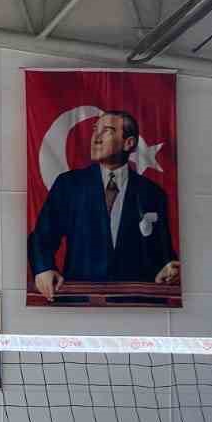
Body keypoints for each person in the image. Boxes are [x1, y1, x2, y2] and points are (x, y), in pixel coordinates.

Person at [28, 110, 179, 300]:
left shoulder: (153, 193)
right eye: (94, 129)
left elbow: (163, 254)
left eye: (106, 130)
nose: (96, 138)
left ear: (129, 143)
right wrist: (44, 268)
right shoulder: (69, 185)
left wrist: (168, 268)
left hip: (136, 304)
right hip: (80, 302)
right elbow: (42, 237)